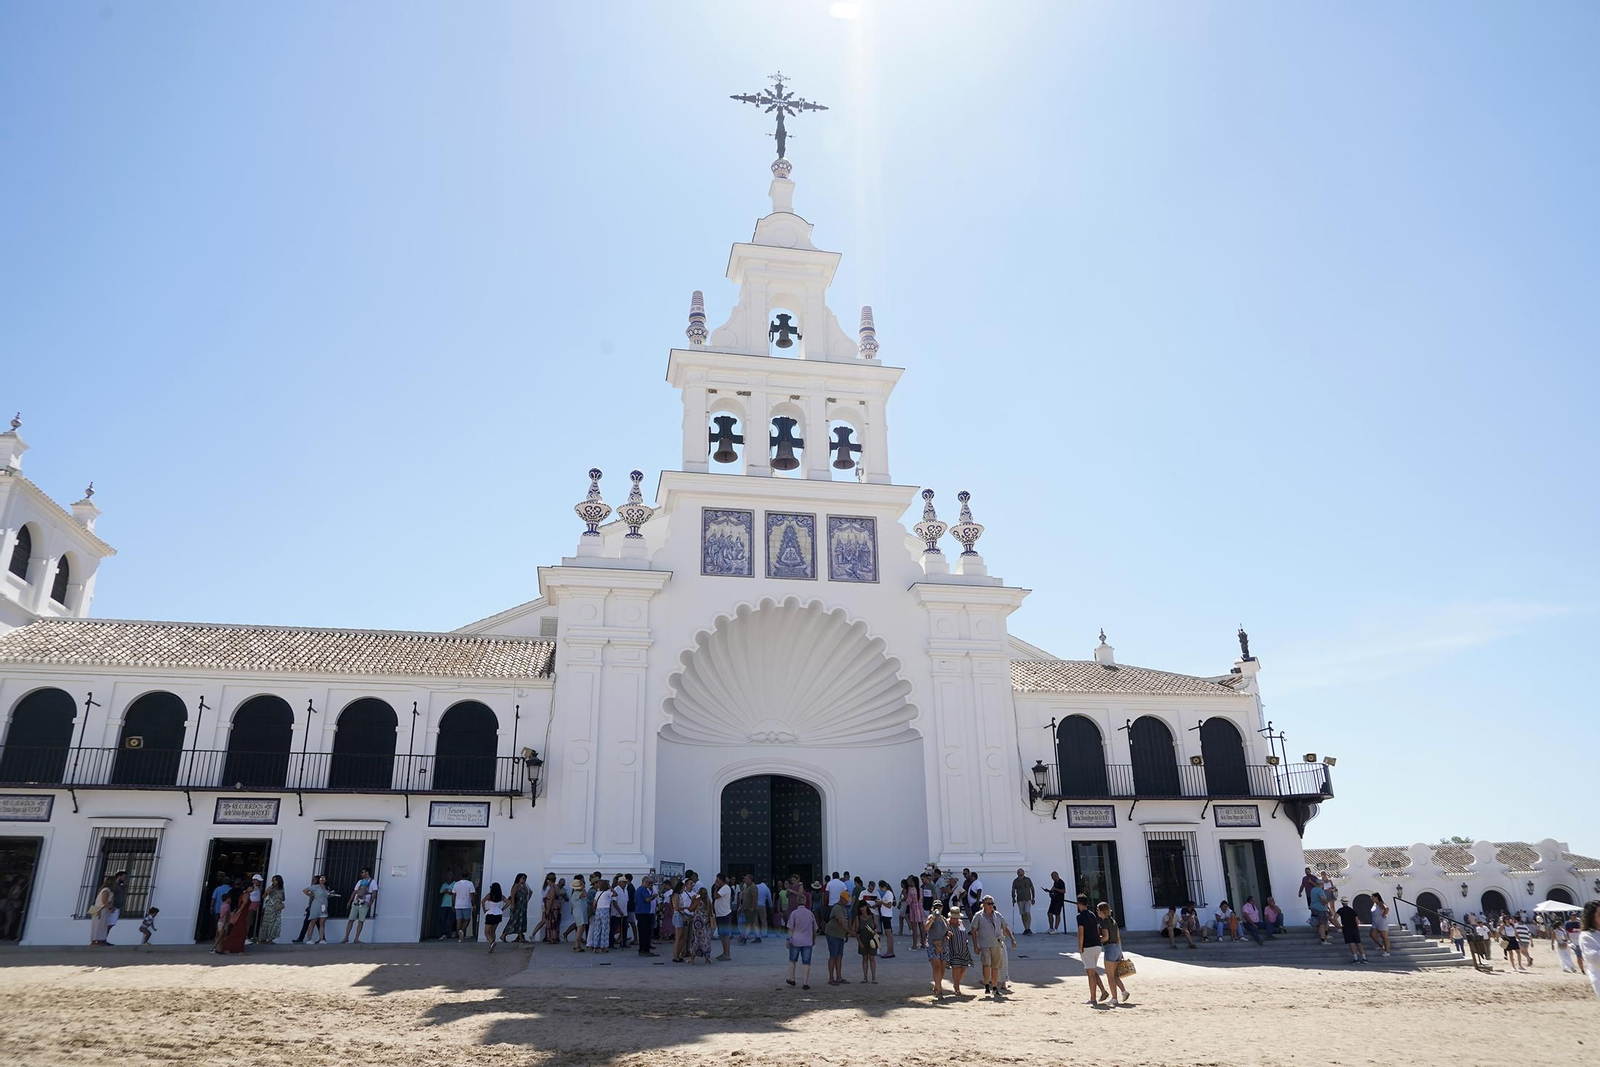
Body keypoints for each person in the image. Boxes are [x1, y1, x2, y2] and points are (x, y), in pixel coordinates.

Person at [972, 895, 1016, 996]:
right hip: (984, 944)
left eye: (992, 903)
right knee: (986, 964)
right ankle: (987, 984)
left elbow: (1005, 927)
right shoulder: (978, 916)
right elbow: (974, 930)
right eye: (988, 903)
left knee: (995, 967)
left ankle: (995, 988)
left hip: (996, 944)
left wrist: (1012, 939)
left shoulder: (997, 915)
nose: (991, 905)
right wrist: (975, 945)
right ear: (983, 904)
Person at [1076, 893, 1107, 1004]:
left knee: (1090, 973)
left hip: (1088, 946)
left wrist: (1080, 947)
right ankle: (1103, 991)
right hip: (1097, 945)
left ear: (1079, 904)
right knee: (1092, 970)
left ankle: (1093, 998)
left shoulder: (1080, 916)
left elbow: (1081, 933)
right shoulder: (1092, 915)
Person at [1097, 902, 1130, 1006]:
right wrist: (1120, 951)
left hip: (1110, 948)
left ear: (1102, 911)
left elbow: (1106, 937)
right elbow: (1118, 937)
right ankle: (1124, 992)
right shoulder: (1113, 921)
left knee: (1110, 976)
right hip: (1116, 947)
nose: (1097, 911)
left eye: (1098, 909)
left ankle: (1114, 998)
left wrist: (1097, 939)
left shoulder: (1104, 922)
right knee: (1115, 975)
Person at [786, 890, 816, 989]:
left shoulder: (794, 913)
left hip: (796, 940)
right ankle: (805, 983)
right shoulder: (810, 913)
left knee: (792, 960)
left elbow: (790, 928)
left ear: (797, 902)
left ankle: (792, 979)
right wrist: (813, 939)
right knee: (806, 962)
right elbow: (814, 928)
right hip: (807, 941)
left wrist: (788, 939)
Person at [340, 868, 377, 944]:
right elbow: (355, 891)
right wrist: (350, 901)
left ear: (367, 872)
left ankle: (356, 938)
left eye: (363, 872)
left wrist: (371, 901)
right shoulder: (360, 882)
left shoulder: (373, 882)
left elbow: (374, 892)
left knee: (361, 920)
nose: (361, 874)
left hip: (365, 902)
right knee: (351, 919)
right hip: (356, 901)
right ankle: (346, 937)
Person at [924, 901, 950, 998]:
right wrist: (933, 918)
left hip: (943, 945)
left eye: (939, 907)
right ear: (932, 908)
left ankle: (937, 985)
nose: (937, 908)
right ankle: (939, 990)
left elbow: (948, 931)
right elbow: (926, 928)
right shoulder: (931, 917)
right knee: (937, 967)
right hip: (932, 945)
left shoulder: (944, 919)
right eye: (935, 907)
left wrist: (948, 936)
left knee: (943, 968)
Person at [946, 907, 974, 995]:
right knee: (956, 967)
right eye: (953, 917)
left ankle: (956, 982)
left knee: (963, 968)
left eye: (956, 917)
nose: (955, 919)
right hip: (953, 949)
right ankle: (957, 987)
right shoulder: (947, 923)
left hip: (963, 949)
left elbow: (964, 933)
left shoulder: (961, 923)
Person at [824, 894, 851, 985]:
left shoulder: (843, 908)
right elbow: (842, 922)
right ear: (841, 898)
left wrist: (846, 933)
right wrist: (851, 932)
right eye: (846, 900)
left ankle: (839, 977)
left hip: (839, 935)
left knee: (839, 956)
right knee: (833, 956)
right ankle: (831, 978)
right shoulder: (838, 908)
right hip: (833, 934)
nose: (847, 902)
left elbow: (844, 922)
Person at [851, 899, 880, 984]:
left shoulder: (872, 916)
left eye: (863, 906)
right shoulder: (858, 918)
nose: (862, 909)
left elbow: (876, 927)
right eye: (860, 907)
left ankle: (873, 977)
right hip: (862, 939)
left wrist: (875, 932)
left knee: (872, 958)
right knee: (864, 958)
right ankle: (865, 977)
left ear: (866, 906)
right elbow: (856, 931)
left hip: (871, 939)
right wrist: (859, 942)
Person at [218, 886, 250, 955]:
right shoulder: (246, 894)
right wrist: (239, 910)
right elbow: (244, 903)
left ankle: (227, 947)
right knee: (241, 932)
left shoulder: (242, 894)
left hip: (241, 914)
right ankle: (238, 950)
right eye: (251, 887)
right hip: (242, 915)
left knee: (236, 932)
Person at [528, 873, 559, 944]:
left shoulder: (546, 887)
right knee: (547, 921)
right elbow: (550, 898)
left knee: (544, 921)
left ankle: (534, 934)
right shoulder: (550, 888)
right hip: (548, 905)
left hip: (545, 905)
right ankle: (535, 934)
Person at [302, 874, 333, 944]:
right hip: (316, 905)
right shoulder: (315, 887)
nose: (322, 880)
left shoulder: (326, 888)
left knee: (322, 922)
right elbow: (305, 890)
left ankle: (321, 939)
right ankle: (309, 938)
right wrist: (311, 895)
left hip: (324, 906)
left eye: (323, 878)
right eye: (321, 878)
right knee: (313, 921)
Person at [499, 873, 530, 944]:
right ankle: (504, 934)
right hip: (517, 906)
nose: (524, 880)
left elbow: (528, 893)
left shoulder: (523, 886)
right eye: (523, 878)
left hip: (523, 907)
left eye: (525, 878)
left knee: (521, 921)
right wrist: (513, 904)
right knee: (514, 920)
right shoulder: (516, 886)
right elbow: (512, 895)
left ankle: (520, 936)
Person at [1336, 898, 1367, 963]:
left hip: (1346, 928)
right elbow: (1356, 919)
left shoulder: (1340, 910)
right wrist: (1357, 926)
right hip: (1354, 927)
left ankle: (1355, 958)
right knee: (1358, 943)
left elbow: (1335, 917)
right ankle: (1364, 958)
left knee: (1351, 943)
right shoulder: (1352, 910)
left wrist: (1338, 926)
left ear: (1342, 903)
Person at [587, 879, 614, 953]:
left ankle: (595, 946)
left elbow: (594, 903)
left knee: (597, 929)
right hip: (605, 911)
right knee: (605, 929)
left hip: (598, 911)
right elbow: (615, 894)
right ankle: (603, 946)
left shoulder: (598, 893)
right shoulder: (608, 892)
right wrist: (610, 887)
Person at [689, 885, 714, 964]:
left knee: (696, 940)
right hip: (706, 923)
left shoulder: (698, 900)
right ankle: (707, 959)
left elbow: (691, 909)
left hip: (698, 924)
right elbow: (711, 912)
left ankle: (692, 959)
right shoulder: (708, 901)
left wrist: (693, 900)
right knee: (706, 941)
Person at [713, 874, 735, 961]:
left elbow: (715, 896)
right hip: (720, 914)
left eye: (717, 879)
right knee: (722, 935)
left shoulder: (725, 888)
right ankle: (724, 952)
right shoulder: (721, 888)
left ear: (720, 880)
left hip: (724, 914)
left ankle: (727, 954)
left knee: (725, 935)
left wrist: (716, 887)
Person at [258, 875, 285, 945]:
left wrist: (281, 898)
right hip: (270, 907)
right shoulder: (271, 888)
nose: (273, 881)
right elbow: (263, 896)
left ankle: (271, 938)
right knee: (268, 922)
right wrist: (267, 892)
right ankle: (264, 938)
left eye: (275, 880)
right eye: (273, 880)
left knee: (276, 923)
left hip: (277, 907)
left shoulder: (282, 889)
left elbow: (284, 898)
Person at [88, 877, 115, 945]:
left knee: (99, 925)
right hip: (100, 910)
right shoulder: (106, 890)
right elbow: (104, 901)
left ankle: (99, 940)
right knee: (99, 926)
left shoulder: (105, 890)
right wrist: (109, 908)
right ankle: (95, 941)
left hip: (97, 909)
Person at [451, 872, 476, 943]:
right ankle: (462, 930)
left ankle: (459, 936)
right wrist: (474, 904)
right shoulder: (470, 884)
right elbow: (472, 895)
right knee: (467, 920)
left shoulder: (456, 884)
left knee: (458, 920)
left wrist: (453, 904)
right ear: (468, 876)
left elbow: (453, 895)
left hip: (458, 904)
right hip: (466, 904)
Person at [635, 873, 656, 956]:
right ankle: (645, 950)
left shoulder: (638, 890)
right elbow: (647, 899)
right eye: (648, 882)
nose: (648, 884)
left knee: (642, 932)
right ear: (644, 882)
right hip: (643, 913)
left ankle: (642, 949)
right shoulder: (643, 890)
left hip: (639, 913)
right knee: (645, 932)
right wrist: (653, 896)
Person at [1011, 868, 1035, 936]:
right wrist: (1013, 898)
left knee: (1027, 913)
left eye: (1021, 872)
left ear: (1023, 873)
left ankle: (1028, 928)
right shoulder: (1015, 881)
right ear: (1017, 873)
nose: (1020, 873)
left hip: (1028, 899)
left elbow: (1032, 888)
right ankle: (1026, 928)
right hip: (1020, 899)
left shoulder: (1028, 879)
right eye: (1018, 872)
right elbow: (1013, 890)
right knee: (1023, 914)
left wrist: (1033, 897)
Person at [482, 882, 505, 952]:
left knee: (486, 932)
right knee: (493, 931)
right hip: (498, 914)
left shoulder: (489, 895)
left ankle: (492, 942)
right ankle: (491, 947)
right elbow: (508, 902)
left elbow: (482, 901)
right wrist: (502, 909)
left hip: (490, 914)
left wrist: (484, 910)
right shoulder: (501, 896)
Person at [877, 880, 896, 958]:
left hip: (886, 916)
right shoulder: (888, 893)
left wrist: (881, 903)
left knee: (889, 935)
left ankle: (890, 951)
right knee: (889, 935)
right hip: (885, 915)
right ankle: (890, 951)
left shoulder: (888, 894)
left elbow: (889, 905)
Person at [567, 874, 588, 948]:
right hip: (579, 913)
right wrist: (583, 888)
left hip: (581, 912)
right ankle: (576, 945)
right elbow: (585, 895)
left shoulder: (577, 893)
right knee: (580, 928)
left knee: (581, 928)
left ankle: (578, 944)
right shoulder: (576, 893)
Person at [906, 875, 925, 949]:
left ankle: (914, 945)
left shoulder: (911, 890)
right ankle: (923, 944)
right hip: (920, 909)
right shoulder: (920, 889)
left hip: (913, 909)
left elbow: (909, 901)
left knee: (914, 929)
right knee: (921, 927)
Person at [1369, 892, 1391, 956]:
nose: (1372, 899)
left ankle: (1387, 951)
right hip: (1375, 922)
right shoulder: (1374, 904)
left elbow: (1387, 908)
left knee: (1384, 937)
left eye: (1372, 897)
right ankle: (1381, 945)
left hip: (1381, 921)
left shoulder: (1381, 903)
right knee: (1372, 934)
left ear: (1376, 897)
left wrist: (1384, 915)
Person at [436, 871, 457, 941]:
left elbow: (457, 894)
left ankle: (453, 932)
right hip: (444, 905)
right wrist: (444, 892)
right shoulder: (444, 885)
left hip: (452, 904)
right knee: (443, 919)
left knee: (453, 919)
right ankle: (443, 934)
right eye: (448, 875)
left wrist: (451, 893)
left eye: (450, 875)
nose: (449, 877)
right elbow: (439, 895)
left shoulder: (455, 884)